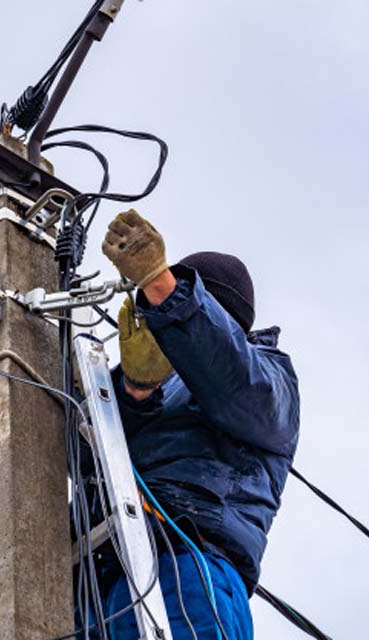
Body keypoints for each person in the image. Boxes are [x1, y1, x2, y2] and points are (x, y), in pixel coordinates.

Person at [97, 210, 300, 639]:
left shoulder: (268, 380)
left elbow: (230, 375)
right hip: (107, 581)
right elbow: (76, 455)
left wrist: (161, 284)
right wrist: (136, 391)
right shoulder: (154, 381)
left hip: (189, 562)